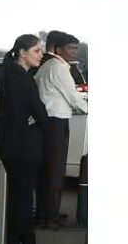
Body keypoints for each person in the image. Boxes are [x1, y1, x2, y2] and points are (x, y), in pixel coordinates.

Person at [0, 34, 53, 244]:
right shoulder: (19, 78)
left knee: (24, 201)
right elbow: (34, 110)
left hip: (17, 146)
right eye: (37, 51)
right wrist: (39, 123)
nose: (40, 55)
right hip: (21, 148)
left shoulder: (14, 75)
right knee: (22, 203)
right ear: (23, 53)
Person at [34, 30, 88, 229]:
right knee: (54, 170)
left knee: (49, 170)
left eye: (76, 48)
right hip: (55, 122)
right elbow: (73, 97)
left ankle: (47, 212)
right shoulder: (58, 68)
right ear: (57, 48)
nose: (74, 52)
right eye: (71, 48)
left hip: (49, 121)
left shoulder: (48, 65)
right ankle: (49, 217)